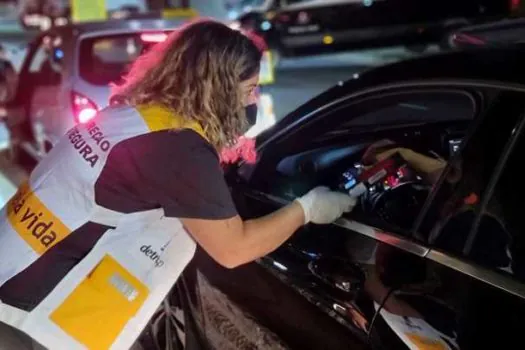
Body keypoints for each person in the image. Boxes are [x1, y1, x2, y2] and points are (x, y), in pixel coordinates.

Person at [0, 20, 355, 349]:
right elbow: (233, 250)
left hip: (15, 279)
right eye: (249, 89)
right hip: (32, 316)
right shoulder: (178, 148)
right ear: (216, 87)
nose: (253, 101)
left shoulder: (132, 118)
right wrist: (306, 209)